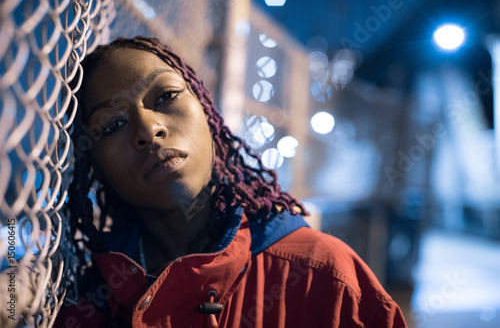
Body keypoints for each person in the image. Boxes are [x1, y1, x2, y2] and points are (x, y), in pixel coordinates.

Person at [55, 36, 407, 328]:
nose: (149, 130)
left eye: (165, 97)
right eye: (113, 125)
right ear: (95, 165)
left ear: (206, 109)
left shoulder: (324, 277)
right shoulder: (89, 299)